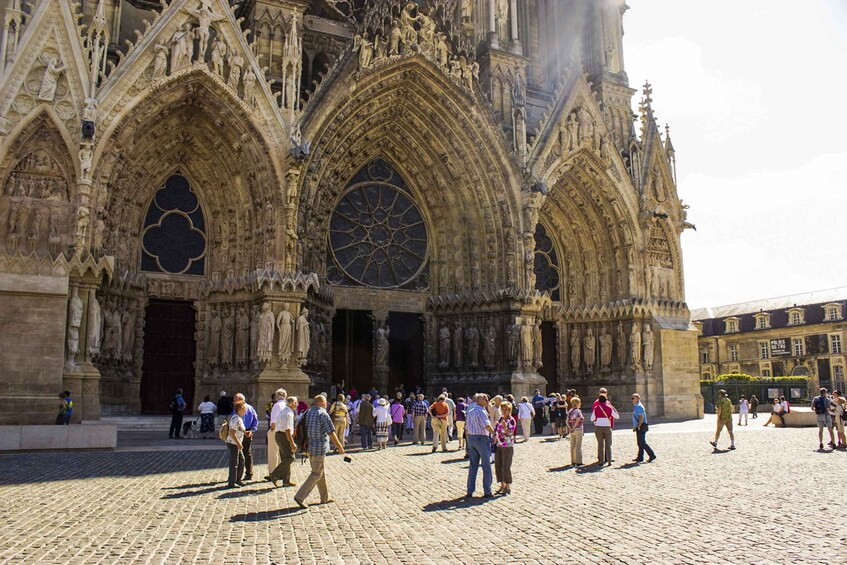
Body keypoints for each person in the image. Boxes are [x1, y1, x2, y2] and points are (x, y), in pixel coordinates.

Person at [294, 395, 346, 508]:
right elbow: (331, 432)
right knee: (316, 473)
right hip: (319, 447)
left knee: (319, 472)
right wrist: (339, 446)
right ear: (322, 402)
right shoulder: (323, 414)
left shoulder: (307, 412)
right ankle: (300, 496)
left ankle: (324, 497)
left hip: (309, 446)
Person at [465, 393, 495, 498]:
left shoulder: (471, 411)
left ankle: (470, 490)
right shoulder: (481, 412)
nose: (487, 402)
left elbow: (466, 427)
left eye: (487, 399)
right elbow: (487, 425)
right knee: (486, 465)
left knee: (473, 465)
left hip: (471, 438)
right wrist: (495, 434)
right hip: (481, 439)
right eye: (485, 400)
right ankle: (487, 491)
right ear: (479, 401)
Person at [267, 396, 298, 488]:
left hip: (279, 435)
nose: (297, 404)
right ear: (292, 403)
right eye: (296, 402)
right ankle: (275, 474)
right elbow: (287, 430)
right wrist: (292, 443)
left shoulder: (285, 411)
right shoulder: (288, 413)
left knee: (285, 458)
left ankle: (286, 480)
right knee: (290, 457)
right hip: (283, 436)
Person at [234, 393, 258, 481]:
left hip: (240, 432)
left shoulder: (237, 408)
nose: (234, 401)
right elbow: (255, 419)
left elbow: (233, 420)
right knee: (247, 454)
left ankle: (237, 475)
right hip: (247, 432)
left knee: (238, 454)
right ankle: (249, 473)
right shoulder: (251, 408)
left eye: (235, 399)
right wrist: (252, 430)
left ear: (240, 400)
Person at [493, 401, 516, 495]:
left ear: (509, 410)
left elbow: (510, 432)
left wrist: (505, 427)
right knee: (498, 465)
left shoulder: (511, 420)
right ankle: (502, 484)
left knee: (506, 466)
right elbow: (497, 430)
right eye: (502, 409)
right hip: (499, 445)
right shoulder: (500, 418)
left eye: (505, 409)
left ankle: (508, 486)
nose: (503, 411)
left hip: (507, 445)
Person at [591, 394, 619, 465]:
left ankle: (601, 460)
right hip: (607, 427)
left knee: (600, 444)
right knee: (608, 444)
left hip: (598, 427)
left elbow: (592, 419)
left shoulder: (596, 408)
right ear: (606, 400)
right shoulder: (609, 408)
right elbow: (617, 416)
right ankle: (609, 460)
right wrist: (614, 409)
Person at [225, 401, 247, 488]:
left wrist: (246, 433)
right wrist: (238, 444)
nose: (245, 410)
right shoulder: (236, 419)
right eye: (244, 408)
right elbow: (232, 432)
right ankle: (231, 482)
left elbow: (239, 430)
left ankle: (238, 479)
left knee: (241, 460)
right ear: (240, 409)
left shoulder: (239, 418)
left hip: (236, 443)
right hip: (233, 443)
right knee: (234, 463)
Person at [631, 393, 656, 463]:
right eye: (631, 398)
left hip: (641, 426)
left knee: (642, 442)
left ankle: (652, 455)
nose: (632, 400)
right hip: (639, 426)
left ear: (638, 399)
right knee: (639, 442)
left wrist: (638, 426)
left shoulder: (639, 406)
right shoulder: (636, 406)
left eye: (633, 398)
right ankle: (640, 457)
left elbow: (641, 417)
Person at [267, 389, 287, 473]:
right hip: (284, 430)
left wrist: (271, 430)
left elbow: (273, 420)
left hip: (276, 429)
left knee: (273, 452)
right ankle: (280, 471)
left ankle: (273, 472)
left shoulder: (276, 405)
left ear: (276, 396)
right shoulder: (286, 405)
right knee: (280, 451)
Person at [567, 397, 584, 466]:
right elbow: (578, 419)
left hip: (571, 430)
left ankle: (573, 460)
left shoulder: (570, 411)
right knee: (578, 446)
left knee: (572, 446)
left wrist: (570, 428)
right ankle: (578, 461)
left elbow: (567, 421)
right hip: (578, 429)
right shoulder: (578, 411)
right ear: (577, 403)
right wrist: (574, 427)